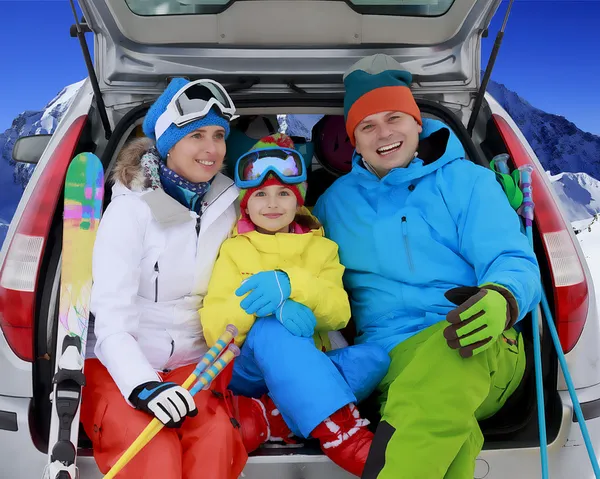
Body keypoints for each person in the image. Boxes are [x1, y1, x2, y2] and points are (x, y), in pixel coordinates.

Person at [312, 54, 542, 478]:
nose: (384, 134)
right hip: (391, 360)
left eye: (394, 117)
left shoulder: (468, 181)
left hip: (480, 340)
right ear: (354, 141)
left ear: (417, 122)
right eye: (367, 126)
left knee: (449, 356)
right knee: (443, 426)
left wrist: (503, 298)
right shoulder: (331, 206)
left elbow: (513, 259)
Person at [81, 77, 247, 479]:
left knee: (216, 440)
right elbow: (111, 318)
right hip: (120, 364)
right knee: (152, 455)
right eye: (196, 136)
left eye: (219, 135)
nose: (212, 150)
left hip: (195, 364)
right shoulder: (129, 211)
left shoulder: (229, 204)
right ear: (169, 142)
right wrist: (142, 385)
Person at [200, 133, 391, 477]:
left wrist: (292, 287)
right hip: (247, 366)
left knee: (373, 358)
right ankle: (341, 432)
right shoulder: (234, 249)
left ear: (298, 198)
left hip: (307, 361)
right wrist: (268, 310)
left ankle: (272, 415)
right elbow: (215, 325)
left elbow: (339, 310)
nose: (272, 204)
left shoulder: (322, 249)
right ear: (246, 202)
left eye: (284, 193)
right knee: (275, 329)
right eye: (260, 194)